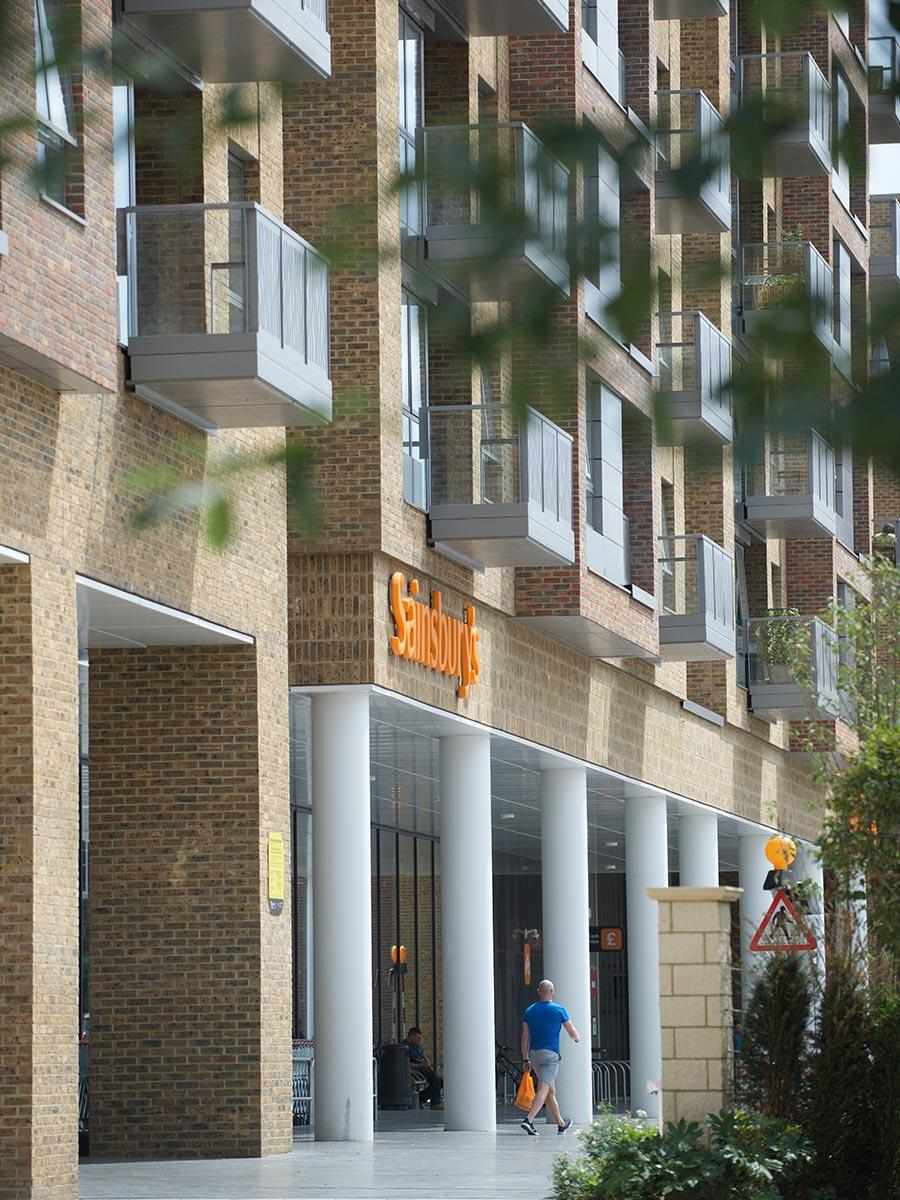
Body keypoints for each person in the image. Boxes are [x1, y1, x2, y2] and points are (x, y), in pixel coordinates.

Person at [519, 979, 579, 1135]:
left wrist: (525, 1058)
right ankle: (529, 1120)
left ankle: (560, 1123)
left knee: (550, 1091)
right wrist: (577, 1038)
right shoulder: (559, 1009)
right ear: (552, 992)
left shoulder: (529, 1011)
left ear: (539, 991)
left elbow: (525, 1037)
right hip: (551, 1055)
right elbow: (571, 1031)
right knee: (544, 1089)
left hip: (534, 1055)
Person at [402, 1026, 443, 1108]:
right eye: (417, 1038)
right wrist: (421, 1065)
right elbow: (405, 1064)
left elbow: (425, 1059)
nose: (419, 1040)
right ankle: (435, 1103)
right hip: (415, 1070)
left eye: (420, 1038)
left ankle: (421, 1098)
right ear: (411, 1036)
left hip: (423, 1069)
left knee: (440, 1082)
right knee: (436, 1081)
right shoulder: (404, 1047)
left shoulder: (418, 1047)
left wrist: (427, 1063)